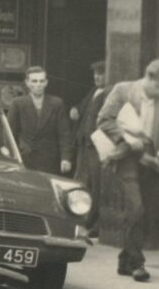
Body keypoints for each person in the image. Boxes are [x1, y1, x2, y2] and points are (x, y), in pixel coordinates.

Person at [96, 58, 159, 283]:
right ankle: (137, 264)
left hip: (150, 157)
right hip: (126, 157)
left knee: (146, 211)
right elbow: (103, 119)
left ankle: (125, 261)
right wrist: (125, 139)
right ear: (148, 77)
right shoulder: (123, 90)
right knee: (136, 207)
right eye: (157, 86)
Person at [7, 66, 73, 176]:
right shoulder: (18, 104)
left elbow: (64, 134)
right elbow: (10, 134)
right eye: (34, 81)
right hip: (25, 159)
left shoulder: (56, 103)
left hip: (49, 160)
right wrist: (13, 158)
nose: (38, 85)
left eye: (41, 81)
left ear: (46, 83)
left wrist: (65, 158)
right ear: (27, 83)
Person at [70, 60, 110, 237]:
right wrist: (75, 109)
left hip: (97, 147)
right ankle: (80, 220)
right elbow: (82, 107)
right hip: (84, 146)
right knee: (81, 183)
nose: (97, 77)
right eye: (95, 73)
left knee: (97, 185)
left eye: (101, 73)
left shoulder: (108, 94)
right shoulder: (94, 91)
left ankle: (96, 224)